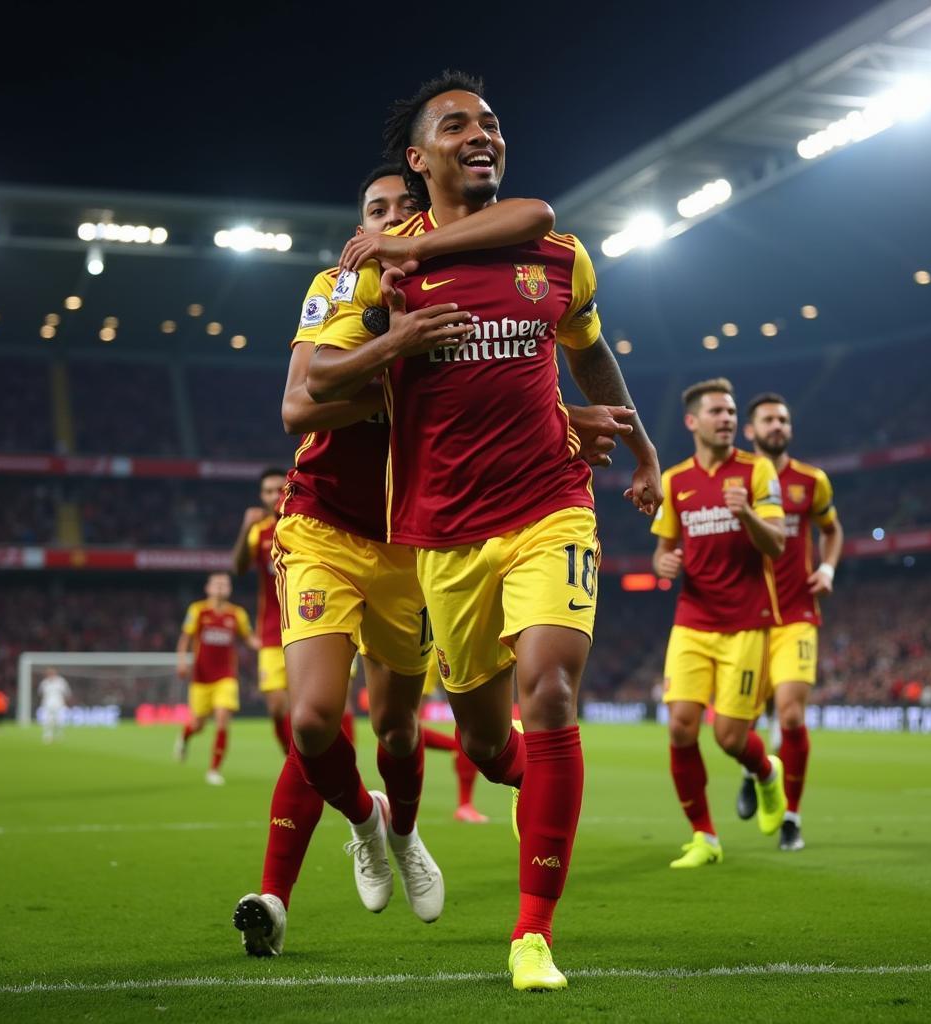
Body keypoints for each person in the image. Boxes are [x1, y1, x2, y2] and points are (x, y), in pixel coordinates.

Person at [305, 73, 662, 991]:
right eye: (457, 124)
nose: (482, 133)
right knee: (492, 746)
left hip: (551, 504)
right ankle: (525, 787)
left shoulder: (555, 253)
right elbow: (311, 390)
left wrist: (647, 451)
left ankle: (531, 936)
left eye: (492, 122)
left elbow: (592, 354)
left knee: (550, 690)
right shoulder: (377, 270)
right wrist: (388, 337)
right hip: (445, 533)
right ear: (417, 159)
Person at [234, 162, 630, 963]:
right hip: (323, 526)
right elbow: (297, 405)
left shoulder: (470, 281)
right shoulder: (348, 289)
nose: (382, 225)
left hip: (416, 539)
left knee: (400, 727)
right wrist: (399, 366)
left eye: (399, 214)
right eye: (370, 211)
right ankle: (345, 842)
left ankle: (411, 833)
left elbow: (502, 384)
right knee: (313, 718)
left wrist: (565, 416)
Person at [650, 378, 787, 868]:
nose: (728, 419)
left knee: (730, 737)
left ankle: (767, 773)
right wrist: (662, 565)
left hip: (746, 621)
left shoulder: (757, 469)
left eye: (731, 412)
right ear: (693, 421)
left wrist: (747, 513)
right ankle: (704, 837)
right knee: (681, 729)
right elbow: (664, 550)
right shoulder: (675, 480)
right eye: (718, 412)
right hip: (692, 619)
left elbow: (777, 545)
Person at [734, 393, 843, 851]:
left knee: (792, 715)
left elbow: (831, 529)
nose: (777, 425)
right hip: (744, 614)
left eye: (783, 419)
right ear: (751, 431)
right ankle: (755, 770)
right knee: (738, 723)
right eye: (768, 420)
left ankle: (792, 819)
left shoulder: (810, 481)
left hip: (797, 613)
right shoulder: (733, 481)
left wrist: (828, 568)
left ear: (789, 429)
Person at [231, 466, 298, 755]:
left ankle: (330, 768)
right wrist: (245, 527)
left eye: (279, 489)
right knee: (276, 708)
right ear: (261, 495)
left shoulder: (302, 523)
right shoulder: (259, 531)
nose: (274, 495)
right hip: (271, 632)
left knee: (319, 707)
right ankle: (294, 762)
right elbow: (239, 567)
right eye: (268, 491)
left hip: (308, 624)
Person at [174, 572, 258, 785]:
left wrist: (270, 645)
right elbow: (185, 638)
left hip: (226, 677)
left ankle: (214, 770)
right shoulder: (198, 610)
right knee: (198, 724)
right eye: (217, 583)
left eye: (225, 584)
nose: (221, 587)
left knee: (222, 719)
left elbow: (249, 639)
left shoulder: (237, 614)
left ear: (229, 589)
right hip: (201, 677)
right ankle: (184, 738)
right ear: (208, 588)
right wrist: (182, 661)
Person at [420, 657, 487, 823]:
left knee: (403, 727)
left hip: (434, 646)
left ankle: (465, 806)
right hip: (429, 645)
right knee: (401, 727)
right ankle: (462, 748)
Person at [38, 666, 72, 744]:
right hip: (47, 704)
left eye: (52, 672)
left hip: (59, 704)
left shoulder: (61, 682)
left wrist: (65, 702)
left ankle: (59, 734)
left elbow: (67, 693)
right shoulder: (44, 683)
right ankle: (47, 736)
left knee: (59, 720)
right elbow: (40, 693)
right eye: (49, 672)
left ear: (55, 672)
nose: (50, 673)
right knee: (47, 721)